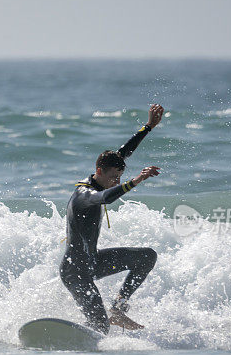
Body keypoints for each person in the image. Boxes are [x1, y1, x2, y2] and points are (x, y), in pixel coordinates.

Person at [59, 104, 164, 334]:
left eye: (120, 177)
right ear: (99, 171)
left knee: (147, 257)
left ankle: (117, 308)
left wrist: (148, 127)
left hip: (93, 262)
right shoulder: (84, 195)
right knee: (100, 327)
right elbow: (105, 197)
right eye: (113, 177)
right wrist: (135, 181)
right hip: (75, 272)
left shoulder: (104, 175)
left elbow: (122, 153)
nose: (116, 181)